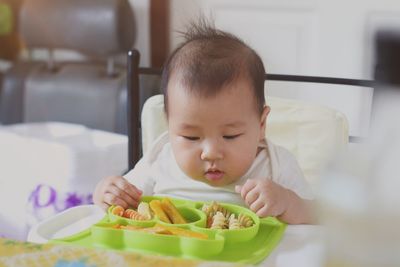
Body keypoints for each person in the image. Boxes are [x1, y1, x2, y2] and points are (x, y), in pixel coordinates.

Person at [93, 20, 315, 224]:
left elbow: (317, 218)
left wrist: (287, 202)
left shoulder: (276, 166)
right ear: (169, 126)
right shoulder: (159, 159)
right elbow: (121, 203)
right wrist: (106, 193)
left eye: (230, 136)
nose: (210, 153)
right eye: (191, 137)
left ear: (261, 125)